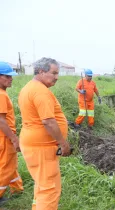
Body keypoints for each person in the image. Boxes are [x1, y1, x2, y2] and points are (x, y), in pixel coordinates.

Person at [18, 57, 71, 209]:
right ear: (41, 71)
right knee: (50, 189)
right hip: (42, 147)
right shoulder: (41, 92)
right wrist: (63, 142)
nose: (57, 77)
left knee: (42, 184)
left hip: (34, 144)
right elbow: (48, 121)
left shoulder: (30, 87)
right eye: (54, 73)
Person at [0, 62, 24, 205]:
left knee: (9, 165)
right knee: (6, 167)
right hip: (5, 136)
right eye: (7, 76)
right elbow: (1, 121)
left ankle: (17, 189)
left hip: (3, 136)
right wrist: (14, 139)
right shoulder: (1, 95)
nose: (11, 79)